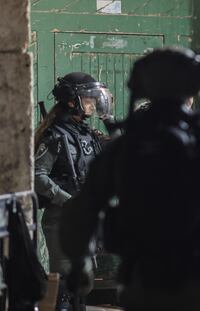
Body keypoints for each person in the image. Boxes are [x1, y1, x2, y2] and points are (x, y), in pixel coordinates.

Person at [58, 47, 200, 311]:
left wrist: (80, 264)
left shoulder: (126, 145)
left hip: (143, 282)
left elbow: (82, 211)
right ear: (192, 89)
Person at [34, 72, 113, 310]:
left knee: (84, 283)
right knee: (66, 284)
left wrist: (108, 119)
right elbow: (37, 175)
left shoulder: (87, 133)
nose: (93, 103)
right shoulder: (55, 135)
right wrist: (67, 201)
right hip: (62, 218)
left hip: (85, 217)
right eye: (88, 98)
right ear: (72, 101)